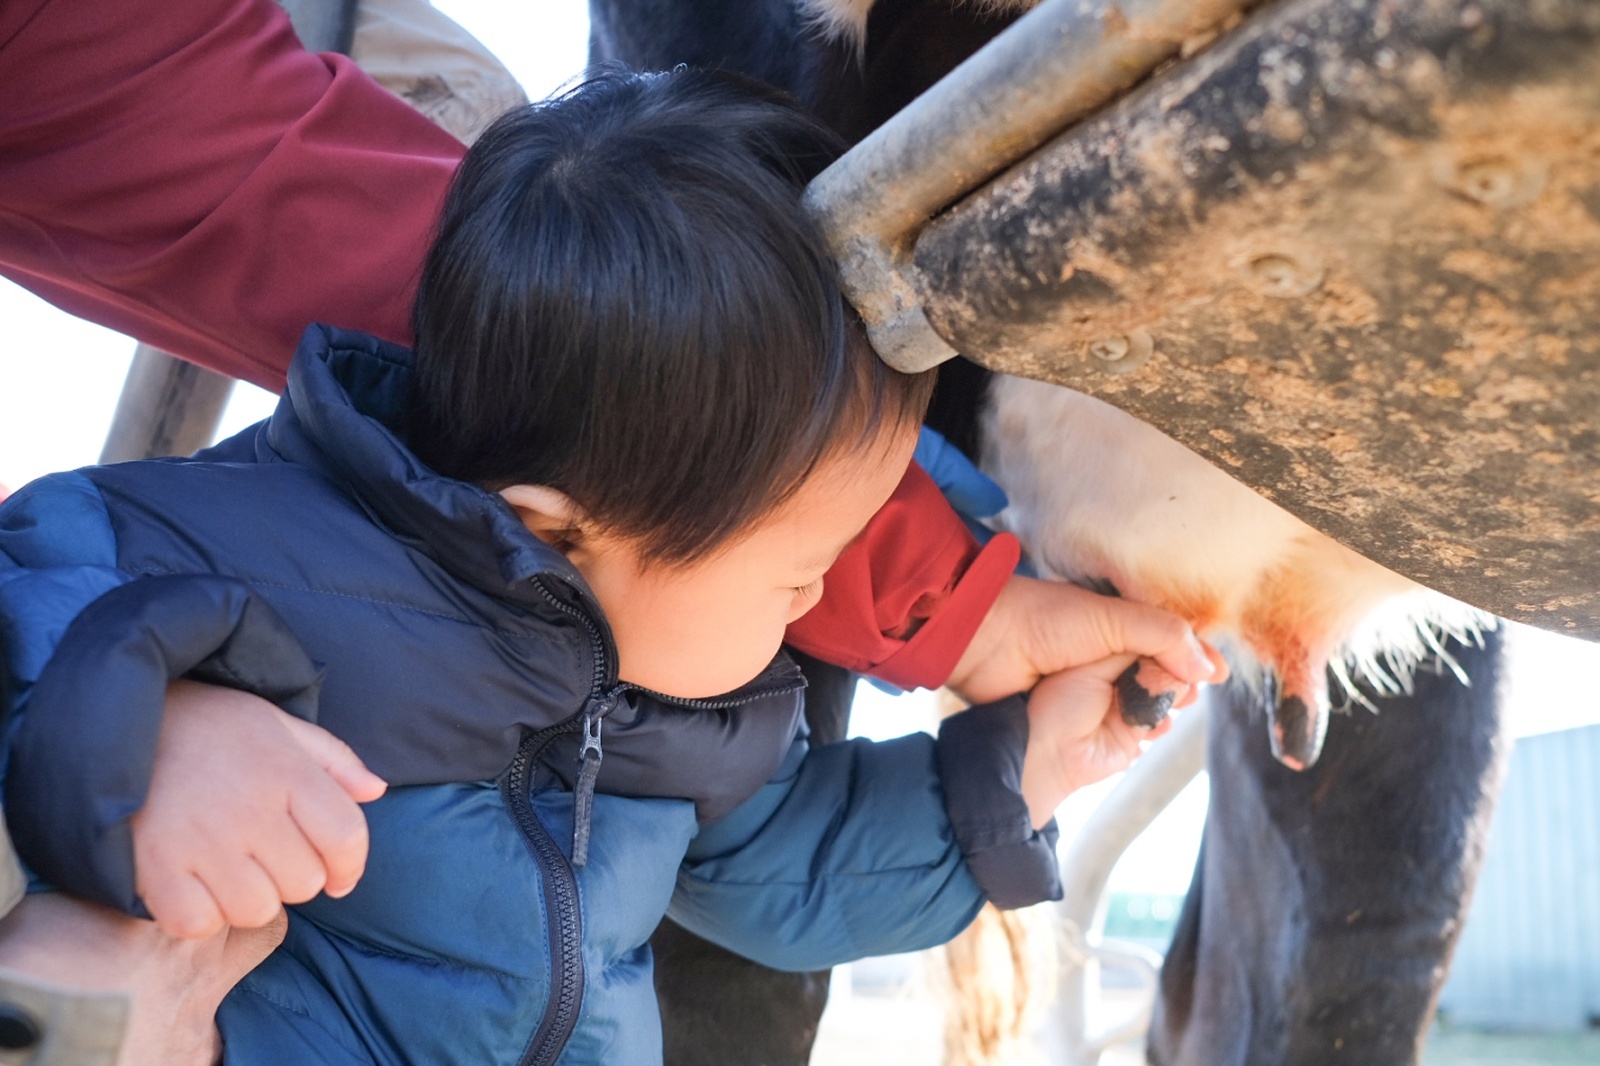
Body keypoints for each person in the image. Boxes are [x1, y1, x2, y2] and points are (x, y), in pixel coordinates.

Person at [0, 69, 1218, 1064]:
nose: (816, 601)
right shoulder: (260, 554)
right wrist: (139, 733)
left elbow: (785, 867)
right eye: (797, 573)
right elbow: (36, 593)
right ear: (556, 530)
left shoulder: (683, 703)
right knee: (76, 972)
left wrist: (1024, 772)